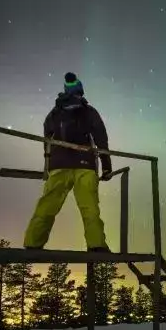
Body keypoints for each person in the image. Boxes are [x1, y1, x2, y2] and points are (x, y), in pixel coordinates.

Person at [24, 72, 113, 252]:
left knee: (47, 205)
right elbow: (101, 139)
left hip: (59, 164)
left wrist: (48, 166)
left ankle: (33, 243)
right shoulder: (89, 112)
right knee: (90, 208)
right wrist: (107, 165)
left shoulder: (54, 113)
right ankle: (96, 245)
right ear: (81, 90)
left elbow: (47, 141)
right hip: (85, 165)